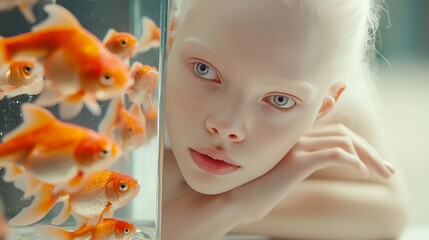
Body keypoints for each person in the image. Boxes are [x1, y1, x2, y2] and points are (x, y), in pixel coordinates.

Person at [161, 1, 409, 239]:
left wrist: (235, 203)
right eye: (204, 70)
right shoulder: (131, 87)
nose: (227, 126)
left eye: (280, 100)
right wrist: (244, 201)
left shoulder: (342, 113)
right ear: (169, 42)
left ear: (323, 108)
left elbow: (389, 212)